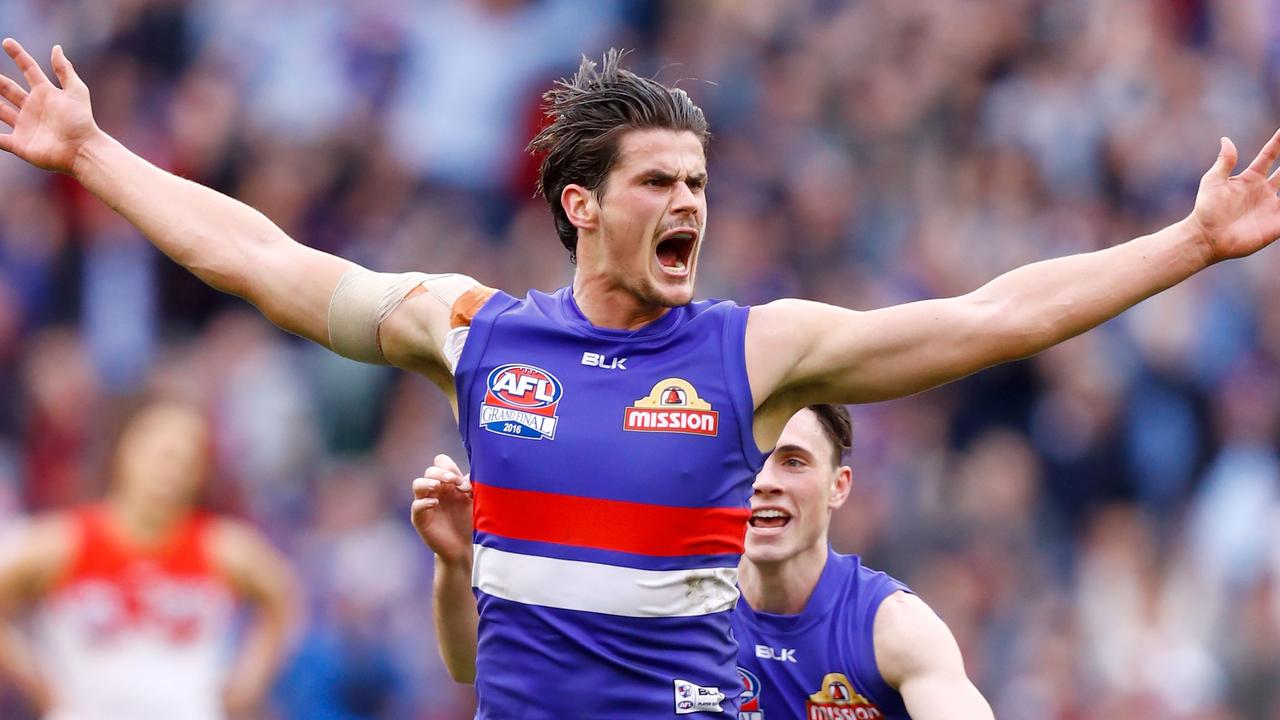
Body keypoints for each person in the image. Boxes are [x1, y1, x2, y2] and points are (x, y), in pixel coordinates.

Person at [1, 38, 1278, 717]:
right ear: (580, 206)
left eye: (699, 185)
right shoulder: (469, 332)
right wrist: (96, 153)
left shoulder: (753, 353)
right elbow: (261, 257)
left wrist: (1188, 241)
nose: (690, 206)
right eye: (659, 184)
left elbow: (990, 317)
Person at [411, 405, 994, 720]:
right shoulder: (663, 595)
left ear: (839, 486)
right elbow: (472, 669)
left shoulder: (889, 627)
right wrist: (459, 561)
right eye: (755, 462)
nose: (765, 483)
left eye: (793, 462)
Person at [0, 398, 300, 720]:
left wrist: (248, 679)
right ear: (125, 451)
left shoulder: (223, 547)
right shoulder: (63, 542)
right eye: (163, 455)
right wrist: (36, 682)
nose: (171, 471)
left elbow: (283, 597)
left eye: (187, 461)